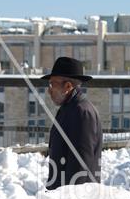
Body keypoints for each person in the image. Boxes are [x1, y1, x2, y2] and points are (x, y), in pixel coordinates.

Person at [43, 57, 102, 190]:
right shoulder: (69, 109)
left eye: (53, 84)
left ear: (68, 86)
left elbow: (81, 163)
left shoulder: (81, 112)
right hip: (63, 197)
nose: (49, 90)